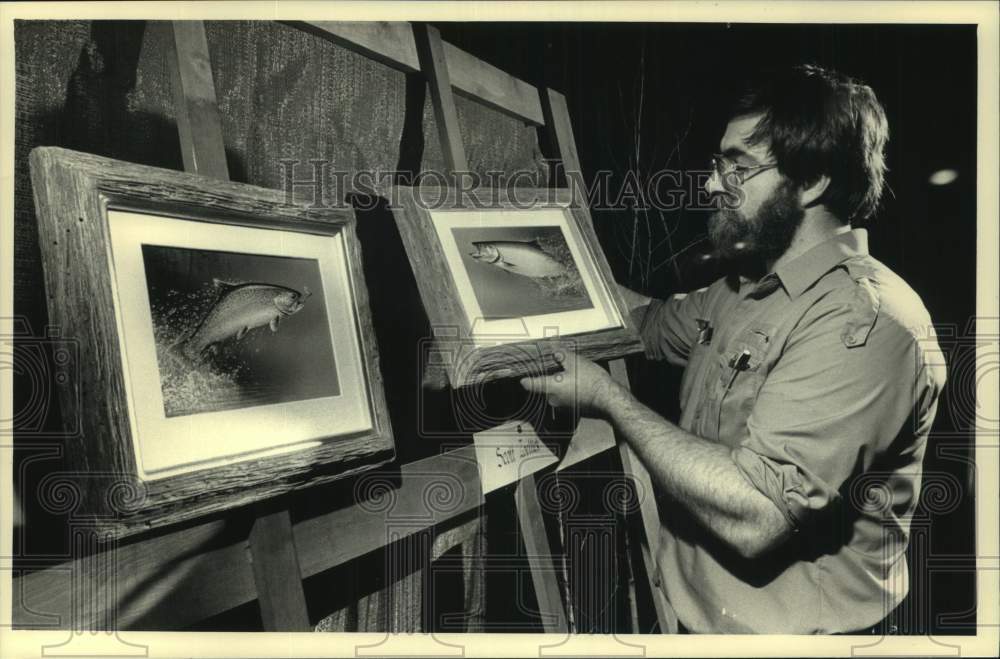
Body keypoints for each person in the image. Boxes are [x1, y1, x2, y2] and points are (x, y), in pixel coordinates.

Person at [521, 64, 947, 634]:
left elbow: (758, 515)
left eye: (737, 166)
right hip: (689, 617)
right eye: (719, 163)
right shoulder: (743, 288)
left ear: (813, 179)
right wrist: (541, 268)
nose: (711, 183)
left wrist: (608, 400)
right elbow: (639, 319)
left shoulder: (867, 321)